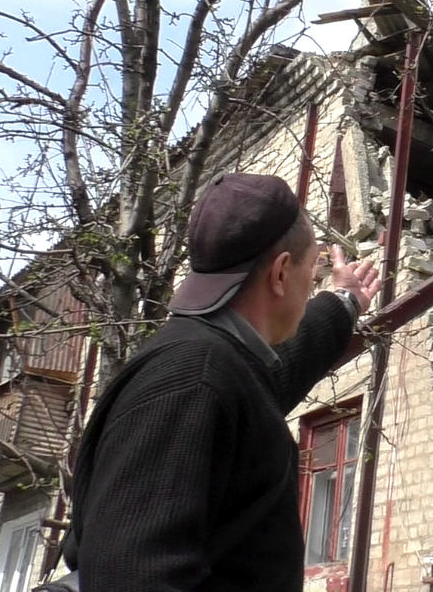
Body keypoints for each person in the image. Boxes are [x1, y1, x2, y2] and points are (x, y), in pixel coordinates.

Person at [60, 173, 381, 592]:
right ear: (282, 272)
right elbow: (135, 576)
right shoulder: (192, 381)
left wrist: (345, 302)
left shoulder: (215, 363)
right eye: (313, 267)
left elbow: (277, 371)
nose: (313, 282)